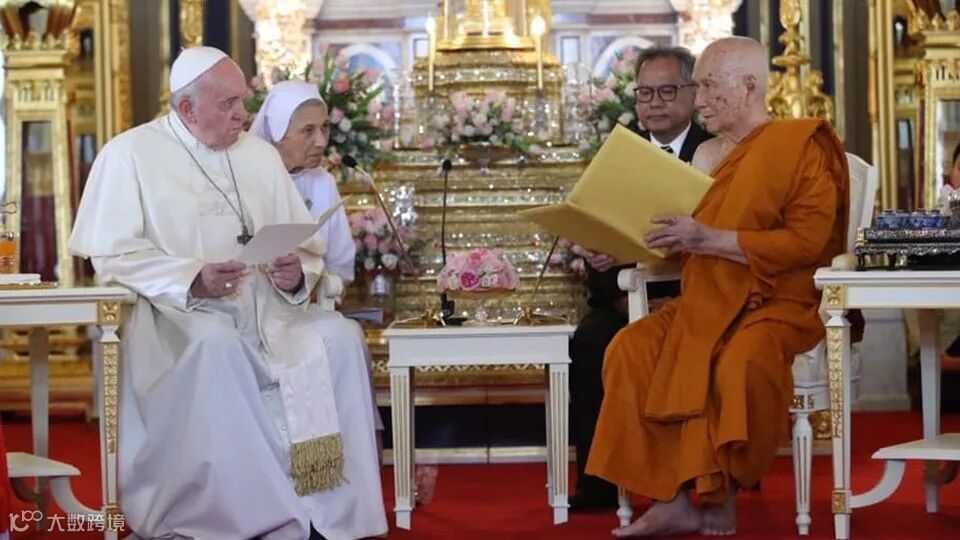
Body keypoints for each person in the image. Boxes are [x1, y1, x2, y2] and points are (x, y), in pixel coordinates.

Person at [68, 46, 387, 540]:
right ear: (187, 108)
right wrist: (192, 277)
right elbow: (111, 256)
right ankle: (244, 518)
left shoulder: (258, 156)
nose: (244, 115)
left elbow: (303, 247)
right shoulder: (129, 155)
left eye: (244, 101)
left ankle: (330, 511)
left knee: (339, 338)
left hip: (269, 309)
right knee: (216, 346)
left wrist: (294, 275)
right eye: (229, 104)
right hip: (177, 316)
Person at [586, 37, 849, 537]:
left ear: (748, 86)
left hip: (778, 304)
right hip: (707, 300)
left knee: (739, 360)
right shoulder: (706, 154)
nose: (699, 98)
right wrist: (620, 248)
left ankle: (718, 495)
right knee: (630, 348)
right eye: (698, 86)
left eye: (708, 86)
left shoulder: (801, 146)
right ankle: (670, 499)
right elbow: (683, 242)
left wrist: (707, 238)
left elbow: (805, 244)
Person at [568, 45, 713, 511]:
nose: (654, 103)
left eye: (666, 91)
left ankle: (699, 478)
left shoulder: (714, 152)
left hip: (694, 298)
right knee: (590, 342)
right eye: (645, 93)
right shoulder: (617, 153)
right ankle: (599, 482)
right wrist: (598, 256)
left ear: (692, 92)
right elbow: (597, 226)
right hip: (621, 296)